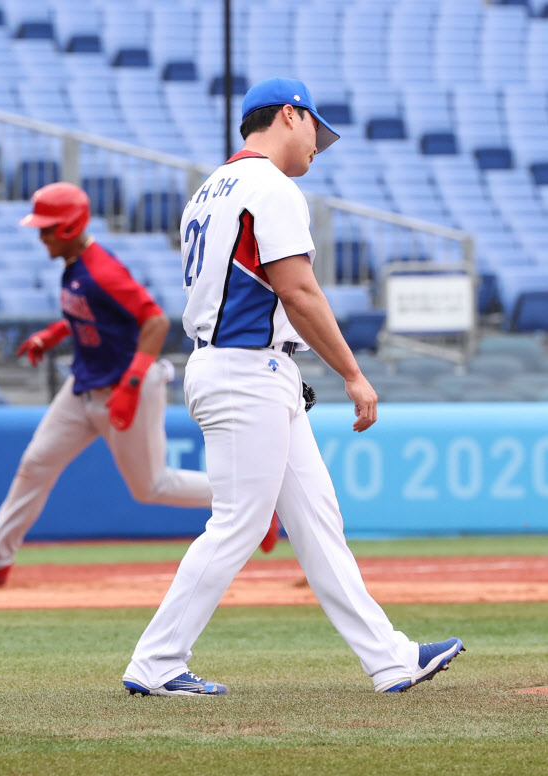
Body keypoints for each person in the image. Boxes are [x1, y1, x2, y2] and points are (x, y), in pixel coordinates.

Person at [122, 78, 464, 697]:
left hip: (251, 365)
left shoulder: (208, 189)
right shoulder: (268, 185)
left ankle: (391, 660)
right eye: (316, 132)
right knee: (238, 525)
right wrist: (353, 374)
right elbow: (298, 290)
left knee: (317, 522)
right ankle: (156, 660)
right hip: (243, 368)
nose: (318, 147)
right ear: (290, 115)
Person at [0, 182, 281, 585]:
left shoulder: (102, 269)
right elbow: (92, 314)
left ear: (67, 228)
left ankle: (251, 503)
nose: (41, 235)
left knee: (152, 486)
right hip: (86, 381)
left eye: (47, 228)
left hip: (127, 383)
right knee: (35, 464)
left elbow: (154, 320)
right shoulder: (75, 265)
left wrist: (131, 384)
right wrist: (53, 334)